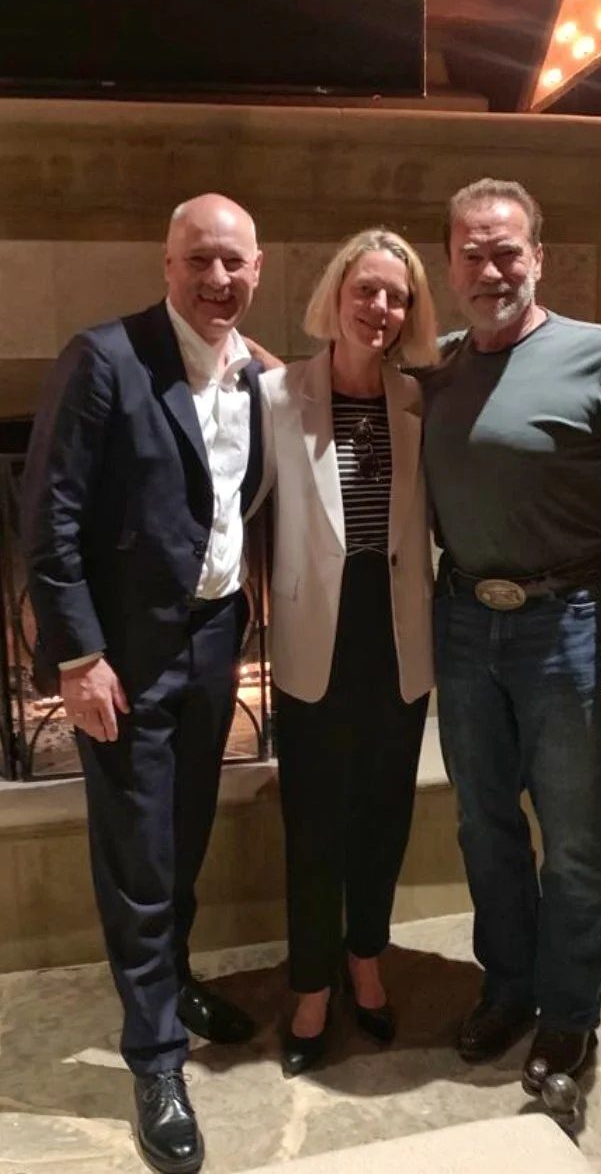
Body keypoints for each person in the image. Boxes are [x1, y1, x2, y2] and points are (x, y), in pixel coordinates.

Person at [22, 194, 279, 1174]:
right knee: (138, 853)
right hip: (123, 655)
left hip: (216, 638)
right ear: (166, 262)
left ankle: (167, 983)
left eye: (233, 264)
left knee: (186, 835)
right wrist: (78, 657)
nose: (217, 280)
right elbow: (48, 520)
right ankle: (157, 1058)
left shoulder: (254, 373)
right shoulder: (104, 359)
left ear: (256, 269)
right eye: (198, 262)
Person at [422, 178, 601, 1092]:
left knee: (572, 839)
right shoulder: (440, 364)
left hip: (569, 627)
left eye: (507, 250)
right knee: (482, 824)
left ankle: (569, 1019)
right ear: (448, 263)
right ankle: (509, 988)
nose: (490, 268)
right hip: (459, 621)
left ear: (538, 255)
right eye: (471, 252)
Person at [253, 229, 439, 1076]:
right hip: (311, 639)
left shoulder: (421, 399)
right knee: (313, 820)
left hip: (397, 636)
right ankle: (311, 984)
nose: (379, 307)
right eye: (365, 290)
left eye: (395, 296)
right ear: (334, 295)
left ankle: (366, 959)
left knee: (382, 814)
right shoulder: (275, 394)